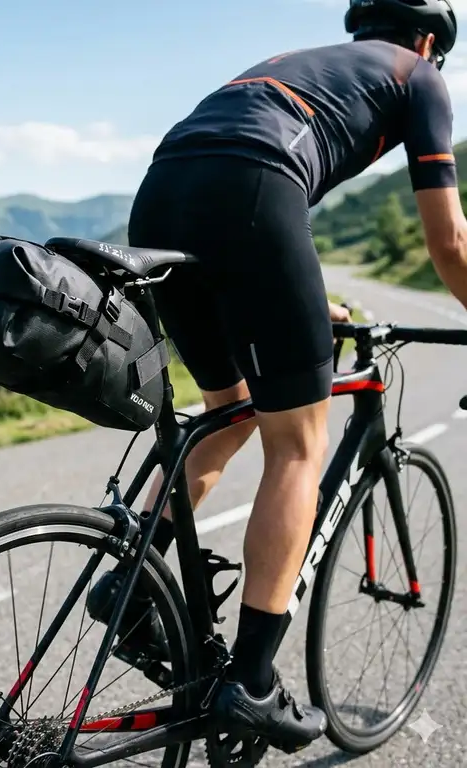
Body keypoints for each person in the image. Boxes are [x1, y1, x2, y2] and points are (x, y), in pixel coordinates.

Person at [86, 0, 466, 753]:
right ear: (428, 38)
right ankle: (253, 682)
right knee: (297, 445)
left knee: (228, 412)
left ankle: (126, 585)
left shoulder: (312, 65)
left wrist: (305, 299)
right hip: (253, 191)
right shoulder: (417, 76)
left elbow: (254, 184)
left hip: (162, 193)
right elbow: (449, 238)